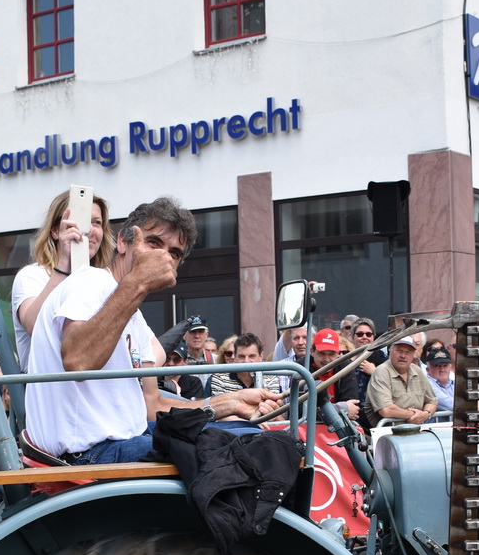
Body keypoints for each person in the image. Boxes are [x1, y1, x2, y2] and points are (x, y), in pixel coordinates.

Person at [24, 197, 276, 463]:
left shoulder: (134, 316)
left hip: (128, 439)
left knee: (249, 432)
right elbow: (78, 361)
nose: (162, 256)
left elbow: (152, 405)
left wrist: (229, 403)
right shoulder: (91, 280)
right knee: (245, 449)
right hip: (87, 454)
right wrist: (138, 283)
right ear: (122, 242)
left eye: (174, 253)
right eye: (153, 243)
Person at [366, 334, 437, 425]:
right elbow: (386, 410)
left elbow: (432, 400)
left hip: (416, 432)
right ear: (390, 351)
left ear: (413, 354)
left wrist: (426, 413)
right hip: (388, 434)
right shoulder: (381, 372)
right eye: (399, 351)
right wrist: (415, 415)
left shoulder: (417, 371)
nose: (403, 356)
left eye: (408, 352)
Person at [209, 334, 284, 396]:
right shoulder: (220, 378)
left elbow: (272, 411)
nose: (246, 361)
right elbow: (221, 411)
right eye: (241, 356)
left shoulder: (270, 379)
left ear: (261, 356)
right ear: (234, 356)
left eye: (251, 356)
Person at [422, 342, 454, 416]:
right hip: (433, 427)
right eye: (437, 366)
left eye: (445, 366)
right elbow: (450, 405)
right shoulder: (426, 384)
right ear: (428, 369)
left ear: (450, 367)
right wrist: (475, 407)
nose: (442, 369)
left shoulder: (454, 383)